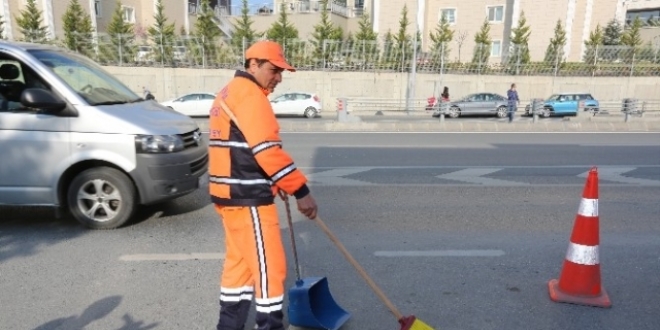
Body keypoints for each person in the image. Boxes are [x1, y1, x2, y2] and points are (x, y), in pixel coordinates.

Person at [208, 40, 318, 330]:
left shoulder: (228, 92)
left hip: (228, 196)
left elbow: (242, 147)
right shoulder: (251, 96)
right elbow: (267, 151)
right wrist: (300, 191)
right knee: (270, 270)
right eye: (274, 69)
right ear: (253, 64)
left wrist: (274, 179)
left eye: (282, 71)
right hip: (248, 200)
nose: (279, 77)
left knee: (239, 271)